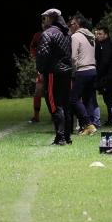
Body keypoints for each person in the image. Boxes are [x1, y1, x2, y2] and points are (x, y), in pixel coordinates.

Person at [36, 8, 73, 145]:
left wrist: (40, 69)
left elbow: (42, 55)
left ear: (51, 18)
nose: (44, 21)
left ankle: (60, 137)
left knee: (54, 105)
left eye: (45, 18)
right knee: (66, 105)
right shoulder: (66, 34)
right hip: (67, 73)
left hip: (53, 73)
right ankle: (67, 137)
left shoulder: (48, 34)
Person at [68, 13, 98, 135]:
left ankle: (87, 124)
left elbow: (74, 57)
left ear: (77, 24)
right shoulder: (91, 36)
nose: (69, 26)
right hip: (92, 70)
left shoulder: (75, 37)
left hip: (82, 70)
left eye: (71, 24)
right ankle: (89, 126)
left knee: (73, 99)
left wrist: (72, 71)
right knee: (88, 99)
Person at [29, 30, 43, 123]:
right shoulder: (38, 35)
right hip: (42, 68)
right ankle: (36, 116)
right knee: (38, 91)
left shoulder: (57, 33)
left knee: (55, 92)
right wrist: (36, 56)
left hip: (54, 67)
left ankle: (55, 115)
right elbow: (32, 46)